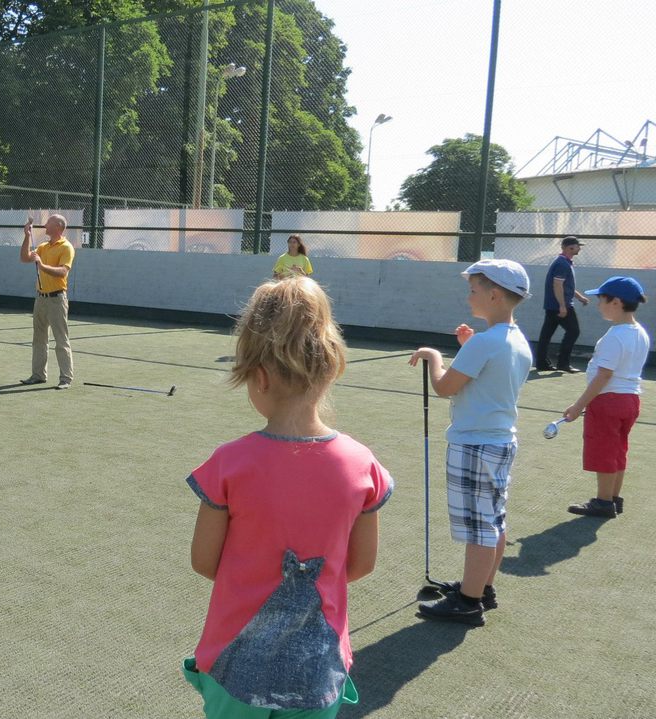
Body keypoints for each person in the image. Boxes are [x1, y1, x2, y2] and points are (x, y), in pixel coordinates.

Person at [183, 276, 391, 718]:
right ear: (331, 368)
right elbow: (361, 565)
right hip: (320, 669)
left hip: (233, 667)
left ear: (258, 377)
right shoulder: (362, 464)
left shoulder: (229, 463)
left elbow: (204, 562)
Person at [409, 259, 533, 626]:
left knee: (479, 527)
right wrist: (467, 347)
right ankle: (483, 587)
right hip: (500, 441)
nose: (469, 296)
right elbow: (489, 375)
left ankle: (468, 600)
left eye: (474, 290)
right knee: (493, 519)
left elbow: (445, 386)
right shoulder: (514, 339)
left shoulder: (485, 342)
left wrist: (434, 356)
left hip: (474, 444)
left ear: (494, 294)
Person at [562, 276, 649, 518]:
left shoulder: (615, 335)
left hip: (608, 401)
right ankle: (613, 498)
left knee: (604, 450)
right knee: (618, 448)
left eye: (601, 299)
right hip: (630, 400)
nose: (598, 304)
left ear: (616, 302)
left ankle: (603, 502)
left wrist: (579, 405)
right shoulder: (640, 332)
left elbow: (604, 376)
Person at [18, 214, 75, 390]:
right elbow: (25, 258)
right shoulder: (43, 246)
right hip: (41, 299)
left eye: (49, 222)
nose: (45, 224)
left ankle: (66, 378)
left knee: (61, 339)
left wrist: (42, 266)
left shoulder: (66, 247)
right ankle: (38, 375)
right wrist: (27, 236)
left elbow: (63, 272)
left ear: (58, 226)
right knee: (39, 338)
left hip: (57, 300)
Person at [535, 236, 590, 373]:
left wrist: (580, 297)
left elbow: (565, 286)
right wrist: (562, 305)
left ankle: (541, 363)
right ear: (569, 247)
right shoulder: (562, 264)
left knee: (546, 335)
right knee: (573, 331)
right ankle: (563, 363)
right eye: (578, 246)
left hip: (553, 305)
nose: (579, 248)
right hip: (560, 305)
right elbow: (557, 285)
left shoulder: (564, 262)